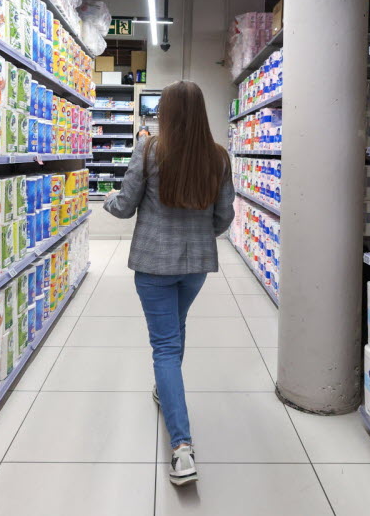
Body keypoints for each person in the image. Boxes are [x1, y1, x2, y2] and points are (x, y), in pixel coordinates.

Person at [103, 80, 234, 487]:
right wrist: (197, 236)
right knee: (175, 331)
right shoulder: (218, 156)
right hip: (194, 265)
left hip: (154, 264)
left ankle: (182, 449)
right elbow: (224, 216)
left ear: (167, 112)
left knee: (164, 345)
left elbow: (124, 206)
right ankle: (166, 389)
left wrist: (107, 198)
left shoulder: (149, 149)